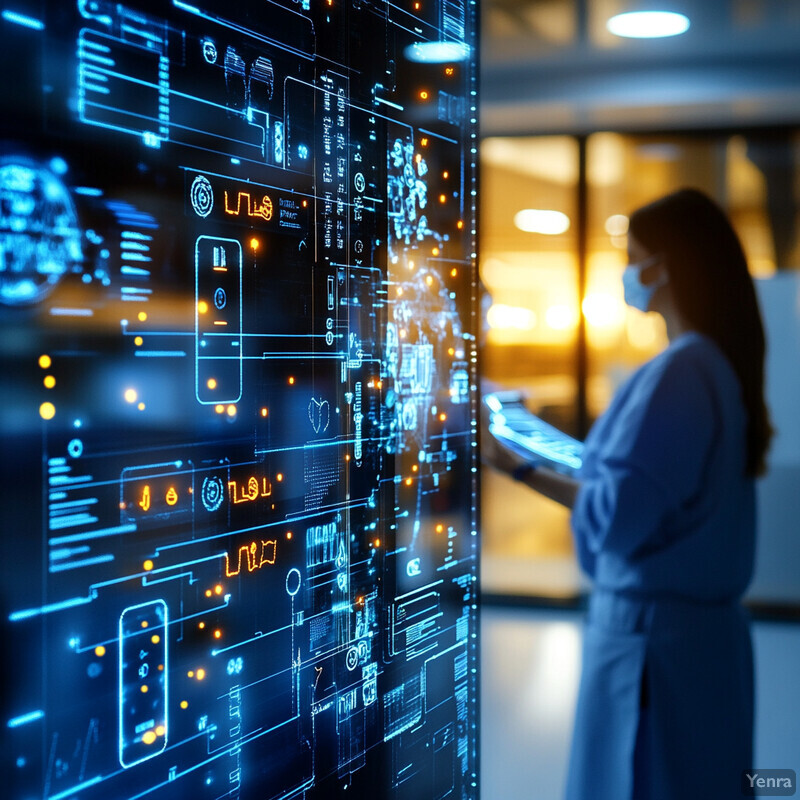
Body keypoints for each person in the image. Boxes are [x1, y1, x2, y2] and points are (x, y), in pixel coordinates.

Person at [484, 188, 771, 800]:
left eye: (632, 254)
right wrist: (525, 436)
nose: (626, 272)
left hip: (655, 653)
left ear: (664, 267)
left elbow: (617, 512)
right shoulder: (708, 366)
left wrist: (516, 470)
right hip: (690, 648)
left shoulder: (682, 373)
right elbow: (619, 474)